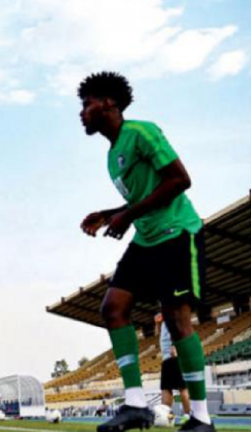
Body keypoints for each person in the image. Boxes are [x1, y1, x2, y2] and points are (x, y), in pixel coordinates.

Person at [78, 71, 213, 432]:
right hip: (147, 238)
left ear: (109, 102)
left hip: (177, 232)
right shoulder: (112, 154)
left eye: (88, 104)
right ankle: (136, 404)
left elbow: (180, 179)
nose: (82, 112)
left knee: (177, 320)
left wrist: (127, 215)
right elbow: (144, 196)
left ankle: (201, 418)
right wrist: (110, 213)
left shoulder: (142, 132)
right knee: (113, 308)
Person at [157, 314, 192, 420]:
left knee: (182, 388)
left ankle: (188, 415)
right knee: (166, 388)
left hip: (175, 355)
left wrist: (174, 346)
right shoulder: (164, 318)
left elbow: (176, 325)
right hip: (167, 357)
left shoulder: (171, 311)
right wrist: (158, 324)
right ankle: (165, 416)